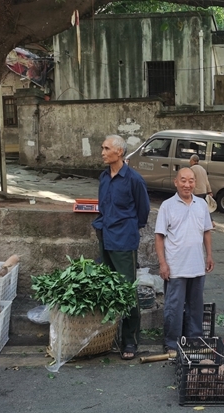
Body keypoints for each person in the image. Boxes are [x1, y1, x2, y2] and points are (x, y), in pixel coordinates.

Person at [92, 135, 150, 360]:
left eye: (106, 148)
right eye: (102, 147)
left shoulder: (134, 179)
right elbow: (103, 206)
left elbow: (143, 212)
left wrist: (126, 228)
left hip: (124, 241)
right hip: (105, 237)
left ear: (119, 152)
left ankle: (130, 340)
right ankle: (108, 336)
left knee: (126, 291)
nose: (103, 152)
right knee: (108, 288)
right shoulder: (104, 177)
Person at [155, 167, 215, 353]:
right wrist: (163, 263)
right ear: (176, 182)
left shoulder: (201, 205)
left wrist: (209, 255)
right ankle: (171, 343)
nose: (187, 185)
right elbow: (159, 237)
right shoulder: (167, 205)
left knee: (195, 308)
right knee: (174, 307)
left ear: (195, 183)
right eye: (183, 180)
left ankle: (194, 341)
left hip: (197, 265)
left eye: (191, 181)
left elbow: (206, 231)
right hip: (176, 267)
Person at [189, 154, 216, 227]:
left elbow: (191, 181)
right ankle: (211, 221)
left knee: (194, 207)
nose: (189, 162)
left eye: (190, 160)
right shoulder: (203, 169)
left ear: (192, 161)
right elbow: (207, 181)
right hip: (203, 191)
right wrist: (209, 191)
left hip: (196, 192)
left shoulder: (192, 169)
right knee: (205, 208)